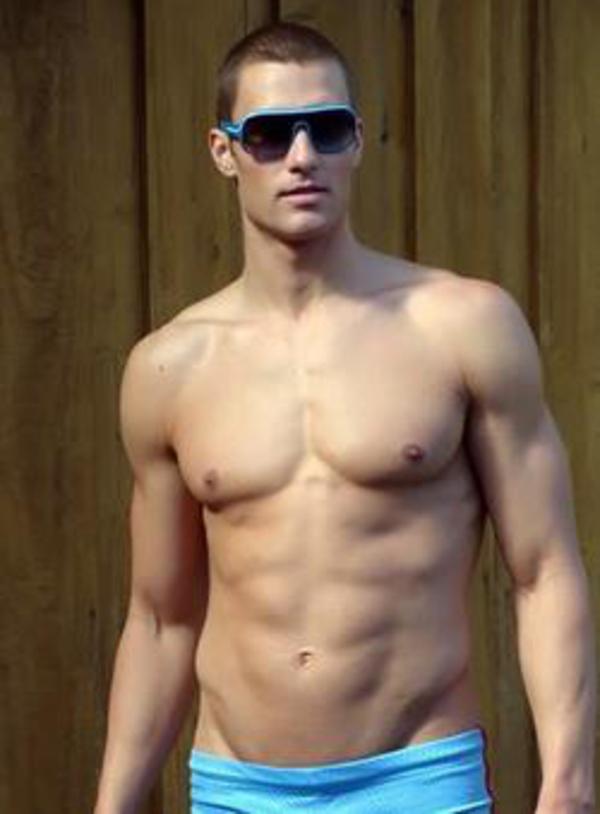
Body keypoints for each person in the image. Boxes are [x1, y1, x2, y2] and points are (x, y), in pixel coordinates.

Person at [93, 21, 596, 814]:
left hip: (416, 779)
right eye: (270, 135)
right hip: (235, 789)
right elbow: (161, 619)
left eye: (326, 129)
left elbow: (544, 570)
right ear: (223, 151)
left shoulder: (462, 327)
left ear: (357, 141)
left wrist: (571, 785)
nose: (302, 157)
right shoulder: (169, 368)